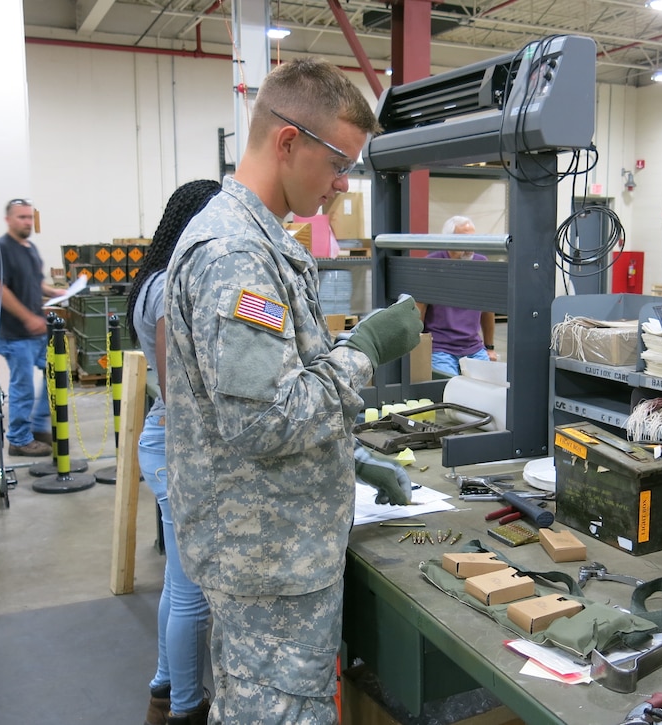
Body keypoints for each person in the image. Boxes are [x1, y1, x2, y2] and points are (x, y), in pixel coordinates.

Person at [163, 57, 422, 724]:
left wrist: (351, 455)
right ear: (287, 142)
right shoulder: (238, 258)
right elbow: (265, 423)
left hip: (270, 539)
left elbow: (269, 390)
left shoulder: (260, 241)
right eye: (338, 163)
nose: (342, 183)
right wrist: (364, 351)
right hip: (269, 556)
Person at [128, 180, 221, 725]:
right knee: (194, 594)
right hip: (177, 442)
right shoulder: (170, 287)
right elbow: (179, 387)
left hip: (165, 438)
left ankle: (163, 691)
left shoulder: (156, 280)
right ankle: (187, 710)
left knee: (176, 582)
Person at [0, 198, 57, 457]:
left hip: (37, 332)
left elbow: (36, 284)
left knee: (55, 378)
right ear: (8, 220)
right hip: (15, 334)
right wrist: (28, 317)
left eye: (29, 217)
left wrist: (57, 291)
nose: (26, 221)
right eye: (21, 217)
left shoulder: (31, 249)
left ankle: (37, 427)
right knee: (22, 387)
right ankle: (18, 439)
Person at [417, 215, 498, 376]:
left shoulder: (481, 264)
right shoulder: (431, 264)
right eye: (464, 241)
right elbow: (419, 311)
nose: (470, 247)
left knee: (489, 386)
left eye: (473, 240)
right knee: (449, 390)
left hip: (473, 347)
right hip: (440, 348)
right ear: (448, 240)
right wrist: (418, 350)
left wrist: (489, 348)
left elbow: (488, 309)